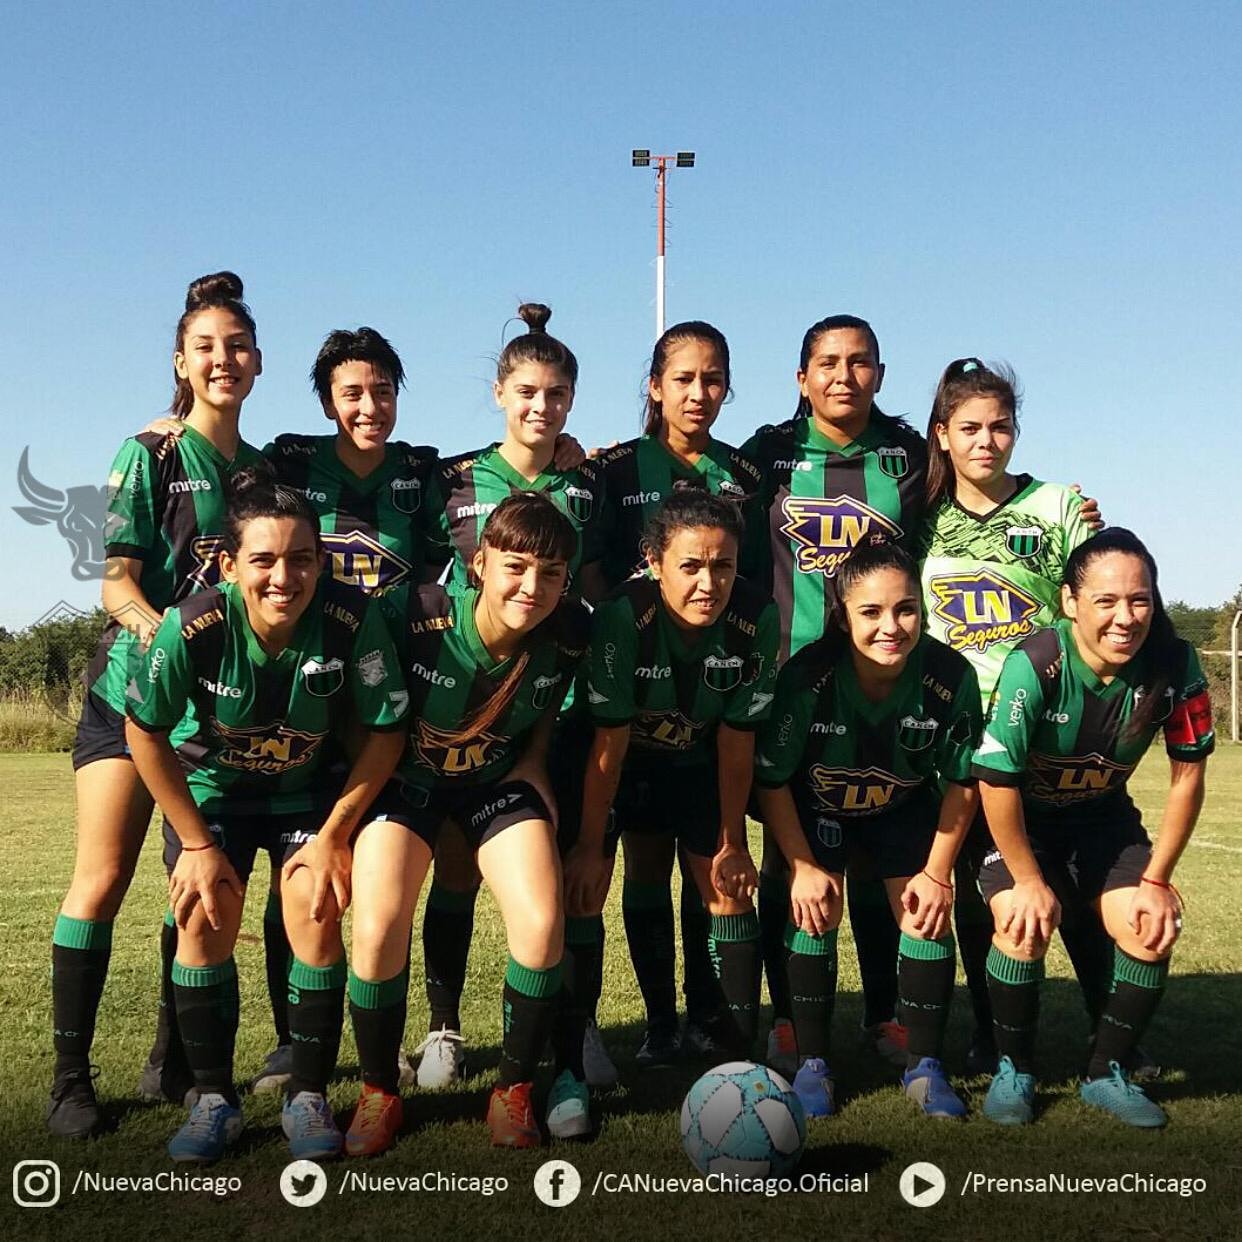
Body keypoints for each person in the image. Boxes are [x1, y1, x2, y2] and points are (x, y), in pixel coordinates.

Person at [125, 471, 408, 1161]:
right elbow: (143, 733)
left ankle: (306, 1095)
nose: (285, 577)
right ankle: (214, 1100)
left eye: (302, 558)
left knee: (314, 903)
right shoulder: (189, 625)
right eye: (264, 560)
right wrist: (194, 844)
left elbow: (387, 732)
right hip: (216, 795)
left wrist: (337, 833)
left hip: (305, 796)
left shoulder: (351, 618)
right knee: (205, 909)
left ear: (321, 560)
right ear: (229, 565)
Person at [47, 272, 268, 1138]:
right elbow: (115, 586)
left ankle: (174, 1061)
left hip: (206, 723)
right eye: (205, 346)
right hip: (130, 702)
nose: (223, 358)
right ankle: (70, 1080)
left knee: (197, 890)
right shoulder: (151, 453)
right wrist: (171, 637)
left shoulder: (265, 469)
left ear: (259, 360)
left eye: (237, 344)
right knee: (100, 880)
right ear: (181, 359)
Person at [359, 492, 589, 1150]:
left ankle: (512, 1092)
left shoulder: (571, 631)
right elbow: (360, 709)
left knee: (544, 922)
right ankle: (378, 1092)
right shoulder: (408, 615)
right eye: (515, 566)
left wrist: (538, 761)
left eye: (550, 574)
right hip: (408, 784)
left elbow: (546, 704)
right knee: (376, 928)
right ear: (480, 562)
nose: (532, 586)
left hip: (493, 782)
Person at [415, 303, 606, 1092]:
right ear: (500, 392)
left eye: (557, 393)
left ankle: (577, 1028)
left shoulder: (591, 480)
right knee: (456, 869)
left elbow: (598, 584)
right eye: (527, 390)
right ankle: (442, 1028)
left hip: (559, 706)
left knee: (569, 875)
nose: (542, 406)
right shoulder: (451, 478)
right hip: (467, 708)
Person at [973, 528, 1212, 1127]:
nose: (1125, 617)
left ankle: (1107, 1071)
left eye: (1140, 599)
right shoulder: (1034, 665)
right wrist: (1027, 879)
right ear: (1070, 602)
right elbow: (996, 782)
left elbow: (1187, 778)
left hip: (1103, 821)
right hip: (1022, 825)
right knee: (1021, 922)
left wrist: (1157, 879)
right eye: (1106, 601)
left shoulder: (1176, 663)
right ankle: (1014, 1069)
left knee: (1151, 927)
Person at [741, 314, 927, 1073]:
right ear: (801, 377)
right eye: (826, 362)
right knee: (790, 861)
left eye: (859, 362)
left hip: (885, 682)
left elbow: (983, 503)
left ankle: (884, 1014)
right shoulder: (768, 453)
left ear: (879, 372)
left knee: (883, 855)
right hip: (792, 686)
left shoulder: (911, 455)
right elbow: (692, 481)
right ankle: (788, 1018)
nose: (843, 376)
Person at [918, 356, 1104, 1073]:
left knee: (1074, 879)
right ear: (941, 435)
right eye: (969, 427)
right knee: (975, 883)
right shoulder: (922, 516)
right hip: (959, 732)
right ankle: (987, 1026)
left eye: (1000, 426)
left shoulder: (1058, 506)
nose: (986, 441)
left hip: (1047, 729)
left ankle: (1109, 1025)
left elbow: (1092, 598)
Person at [755, 536, 982, 1119]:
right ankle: (812, 1063)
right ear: (842, 613)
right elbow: (773, 779)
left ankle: (925, 1066)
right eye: (872, 612)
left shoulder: (950, 676)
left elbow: (962, 781)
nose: (892, 626)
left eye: (906, 609)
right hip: (817, 809)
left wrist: (937, 873)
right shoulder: (807, 676)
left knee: (924, 914)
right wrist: (803, 867)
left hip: (900, 806)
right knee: (815, 908)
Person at [592, 321, 763, 1058]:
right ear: (655, 386)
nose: (699, 392)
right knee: (645, 867)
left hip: (705, 707)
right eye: (684, 378)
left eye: (713, 378)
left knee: (713, 866)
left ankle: (715, 1019)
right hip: (628, 696)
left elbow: (746, 581)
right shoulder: (616, 469)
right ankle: (660, 1023)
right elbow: (594, 567)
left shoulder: (745, 476)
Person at [564, 491, 779, 1067]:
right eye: (689, 566)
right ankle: (658, 1024)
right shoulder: (620, 615)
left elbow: (738, 739)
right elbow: (607, 746)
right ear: (654, 563)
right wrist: (588, 845)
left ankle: (724, 1035)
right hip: (624, 765)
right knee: (635, 872)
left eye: (722, 565)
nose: (708, 583)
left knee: (726, 885)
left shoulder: (756, 615)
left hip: (699, 764)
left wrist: (733, 840)